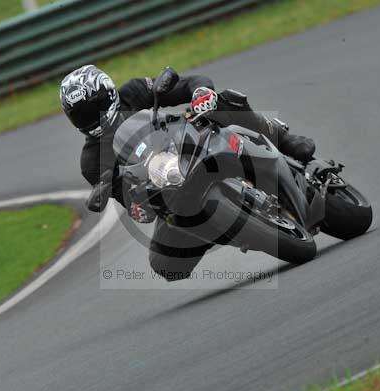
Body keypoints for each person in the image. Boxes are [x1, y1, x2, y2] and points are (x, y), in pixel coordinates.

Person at [60, 65, 315, 280]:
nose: (90, 117)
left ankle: (287, 140)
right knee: (165, 265)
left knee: (226, 100)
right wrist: (137, 206)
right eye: (80, 115)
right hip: (168, 190)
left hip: (190, 141)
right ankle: (222, 227)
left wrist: (200, 93)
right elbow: (128, 201)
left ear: (108, 93)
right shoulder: (91, 162)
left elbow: (189, 83)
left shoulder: (133, 92)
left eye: (93, 108)